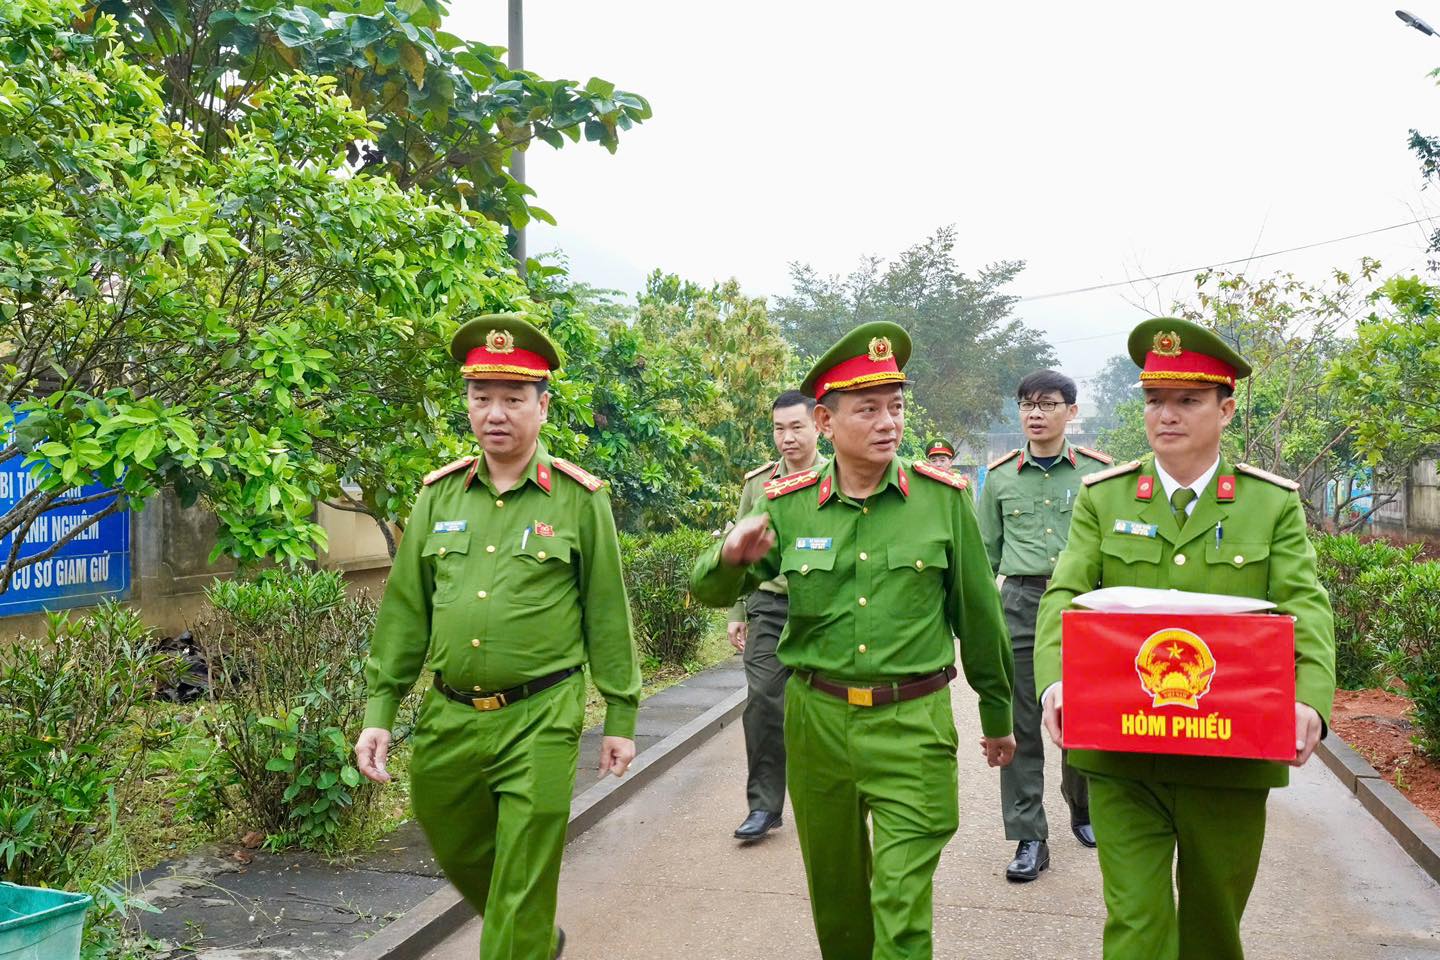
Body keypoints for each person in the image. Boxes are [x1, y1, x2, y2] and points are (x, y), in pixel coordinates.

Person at [691, 321, 1016, 960]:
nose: (888, 423)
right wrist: (728, 557)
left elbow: (979, 617)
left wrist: (998, 714)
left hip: (912, 726)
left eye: (895, 407)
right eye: (867, 410)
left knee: (901, 909)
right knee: (838, 907)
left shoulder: (942, 500)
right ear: (826, 420)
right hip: (818, 723)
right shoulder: (788, 504)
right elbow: (708, 590)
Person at [1034, 317, 1336, 960]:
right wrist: (1056, 681)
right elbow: (1063, 595)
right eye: (1155, 400)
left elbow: (1304, 607)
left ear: (1225, 409)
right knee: (1136, 926)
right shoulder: (1106, 498)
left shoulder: (1269, 504)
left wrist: (1308, 699)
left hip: (1228, 758)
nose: (1166, 415)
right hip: (1123, 756)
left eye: (1187, 400)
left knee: (1212, 930)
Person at [353, 313, 640, 960]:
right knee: (450, 833)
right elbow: (406, 611)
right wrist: (380, 709)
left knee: (521, 879)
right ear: (468, 404)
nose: (496, 414)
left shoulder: (579, 499)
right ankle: (532, 933)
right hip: (450, 715)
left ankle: (520, 931)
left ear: (543, 407)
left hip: (542, 714)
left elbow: (606, 613)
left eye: (513, 399)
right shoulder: (439, 496)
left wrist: (621, 715)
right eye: (482, 398)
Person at [976, 370, 1114, 882]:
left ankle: (1083, 804)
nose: (1035, 413)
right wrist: (977, 624)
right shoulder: (1000, 477)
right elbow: (984, 556)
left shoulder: (1099, 475)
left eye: (1048, 404)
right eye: (1026, 404)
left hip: (1083, 605)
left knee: (1082, 718)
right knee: (1020, 722)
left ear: (1070, 412)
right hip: (1021, 602)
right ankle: (1029, 835)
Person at [726, 390, 825, 840]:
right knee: (764, 699)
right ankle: (765, 805)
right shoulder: (758, 485)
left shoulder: (837, 478)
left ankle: (824, 799)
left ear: (818, 425)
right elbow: (738, 550)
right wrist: (737, 610)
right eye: (779, 429)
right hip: (769, 605)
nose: (787, 438)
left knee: (824, 704)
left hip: (823, 606)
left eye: (796, 427)